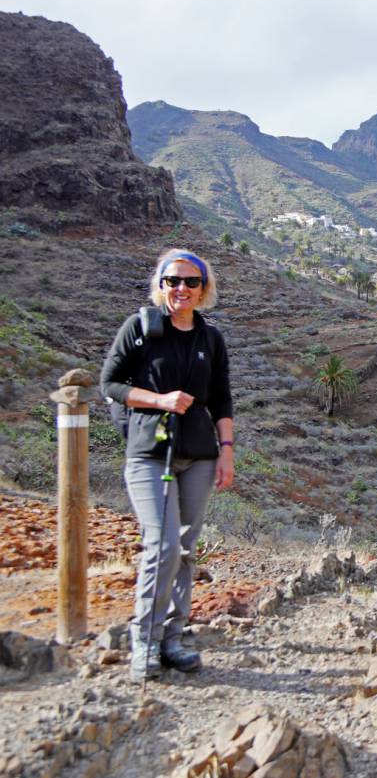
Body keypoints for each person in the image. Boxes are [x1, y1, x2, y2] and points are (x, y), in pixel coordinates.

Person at [101, 248, 234, 682]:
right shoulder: (141, 328)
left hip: (200, 455)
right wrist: (159, 400)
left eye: (191, 281)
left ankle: (173, 639)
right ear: (160, 285)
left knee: (187, 549)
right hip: (149, 453)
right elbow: (110, 384)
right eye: (172, 280)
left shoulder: (210, 338)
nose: (181, 288)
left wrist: (227, 450)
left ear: (203, 288)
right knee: (163, 546)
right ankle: (145, 640)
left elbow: (221, 398)